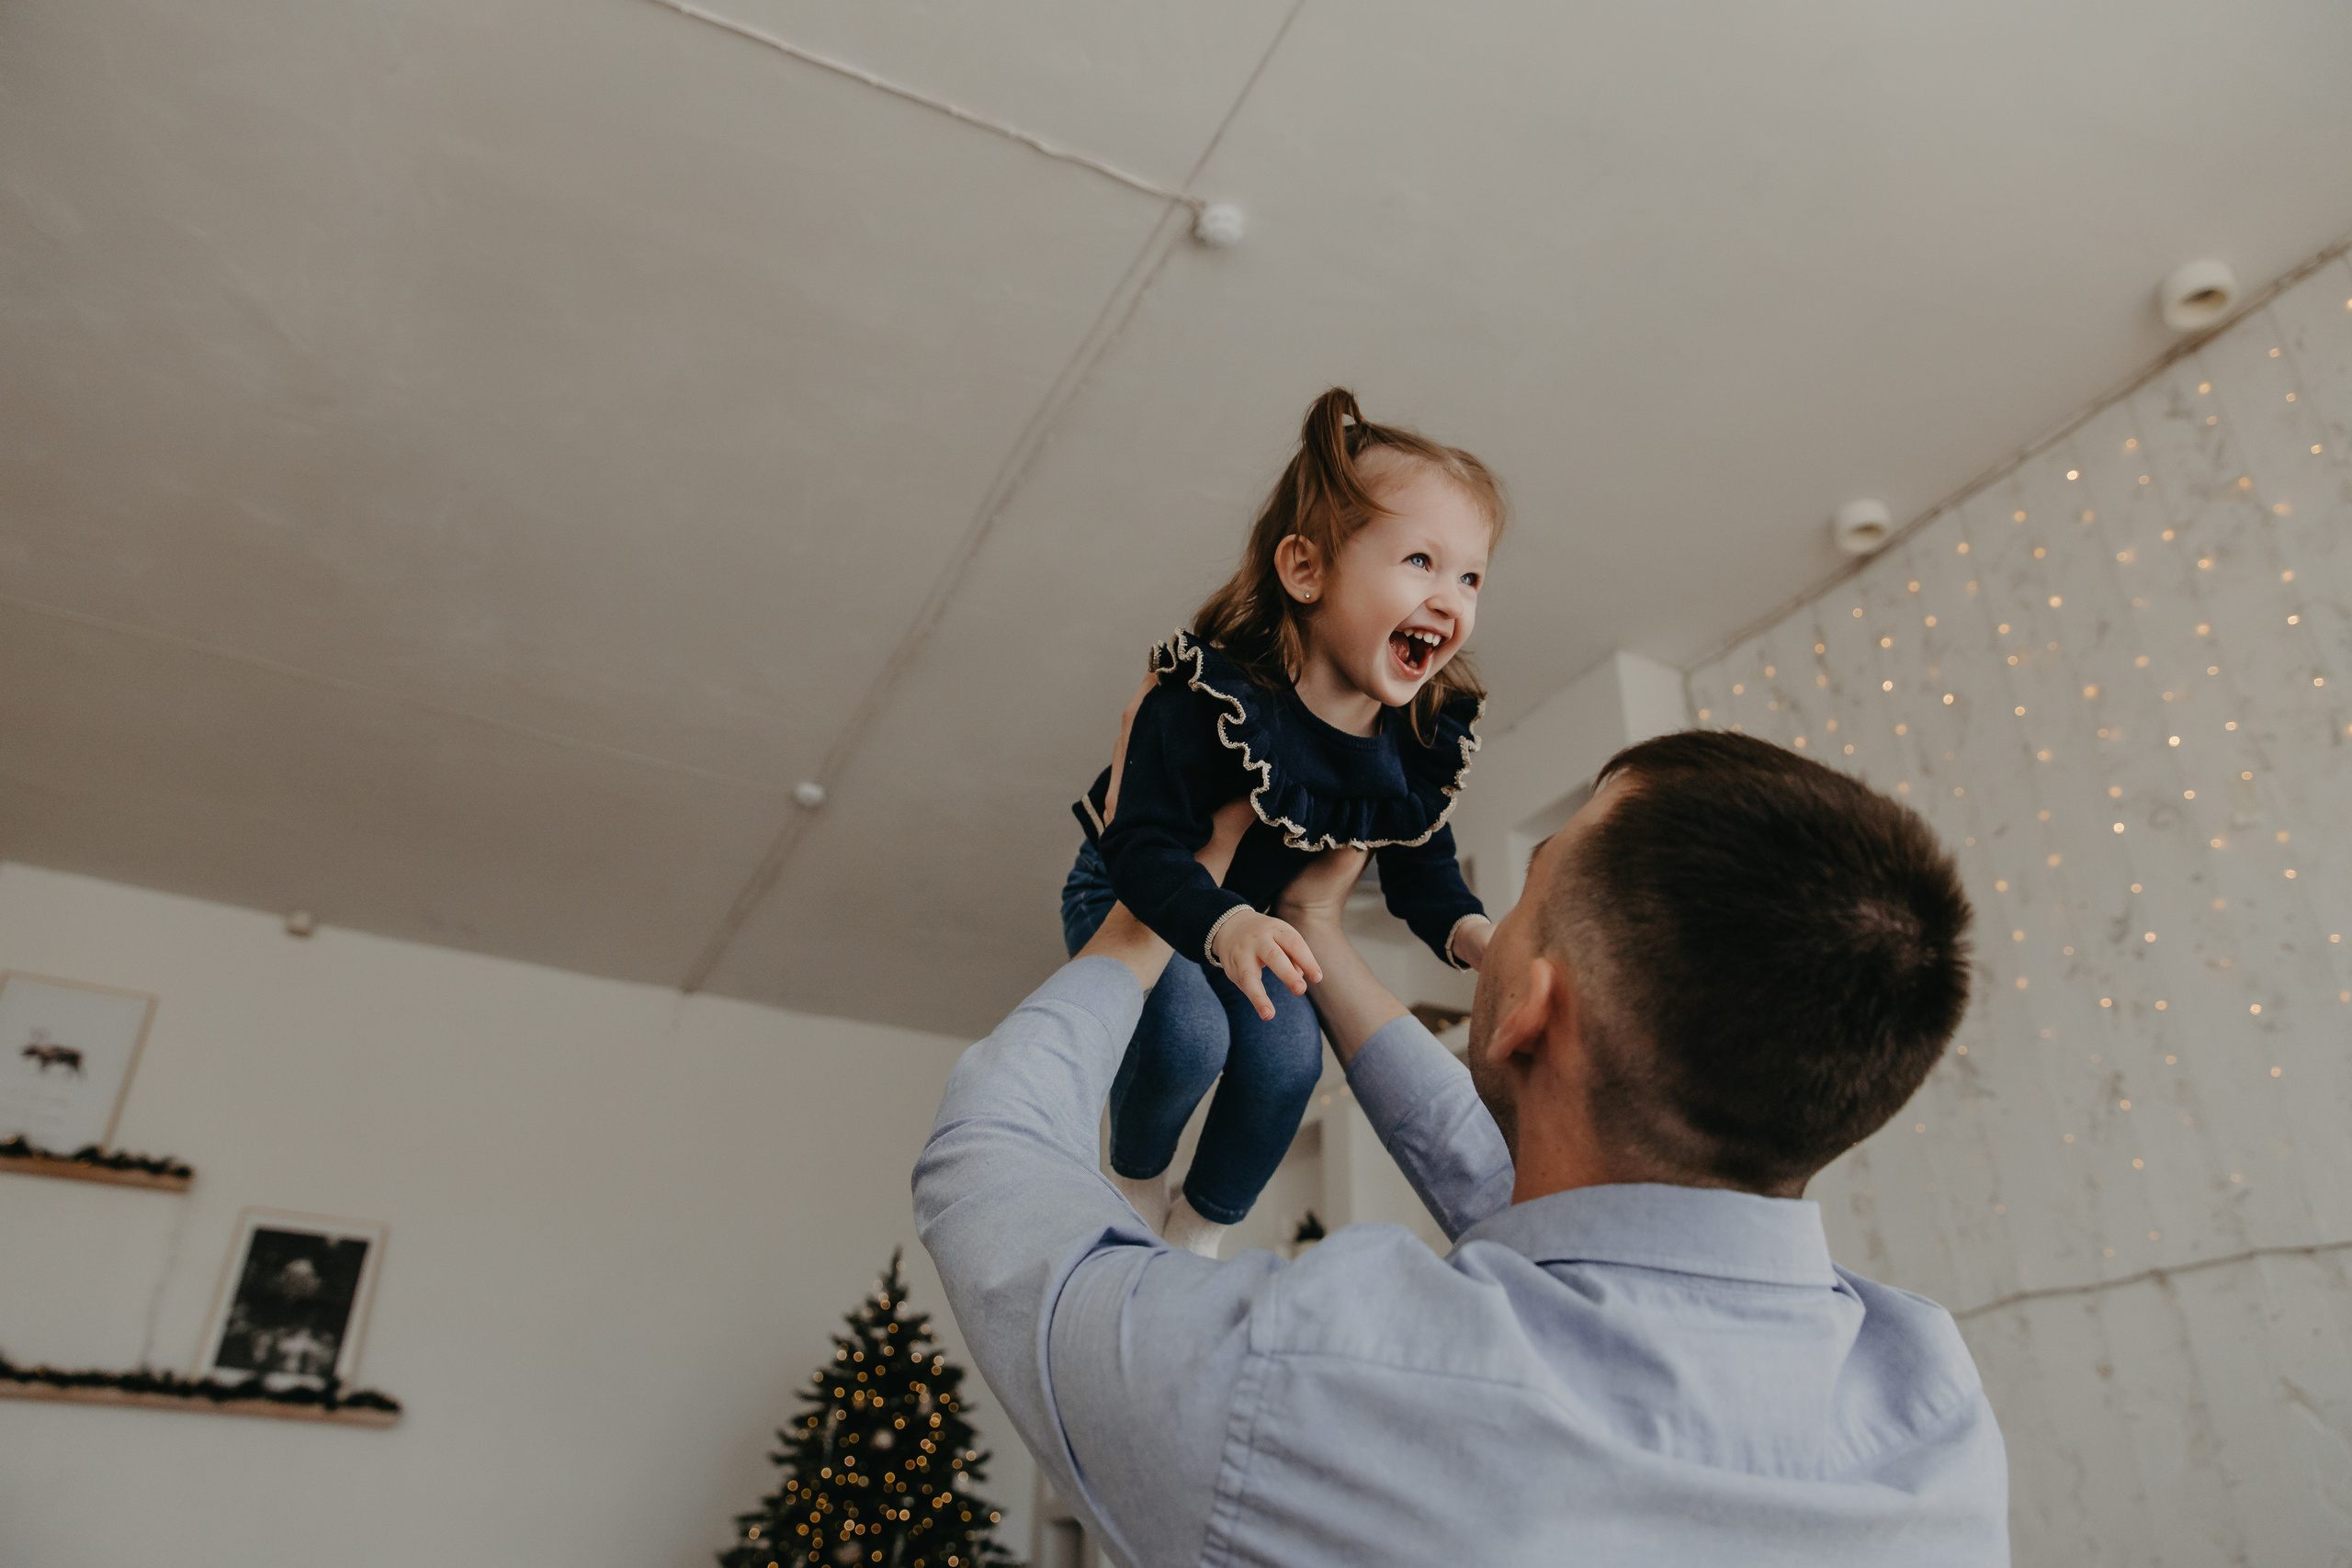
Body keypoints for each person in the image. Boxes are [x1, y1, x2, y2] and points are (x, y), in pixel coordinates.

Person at [913, 730, 2007, 1566]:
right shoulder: (1934, 1410)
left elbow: (991, 1167)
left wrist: (1143, 915)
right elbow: (1542, 1206)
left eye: (1528, 889)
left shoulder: (1314, 1383)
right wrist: (1320, 930)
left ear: (1530, 1006)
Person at [1060, 387, 1501, 1258]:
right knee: (1190, 1035)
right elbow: (1139, 843)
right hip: (1141, 887)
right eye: (1420, 560)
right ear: (1306, 570)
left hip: (1253, 923)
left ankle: (1201, 1228)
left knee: (1289, 1064)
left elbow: (1423, 871)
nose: (1450, 598)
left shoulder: (1413, 739)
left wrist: (1479, 937)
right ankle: (1137, 1176)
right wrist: (1222, 922)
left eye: (1471, 576)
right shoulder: (1211, 698)